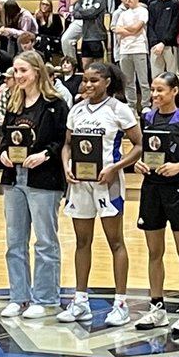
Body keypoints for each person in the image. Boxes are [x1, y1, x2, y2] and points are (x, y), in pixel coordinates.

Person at [59, 62, 142, 326]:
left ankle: (120, 303)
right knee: (82, 242)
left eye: (94, 80)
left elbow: (139, 146)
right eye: (85, 80)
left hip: (108, 183)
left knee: (115, 242)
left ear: (107, 81)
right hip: (80, 184)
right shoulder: (76, 110)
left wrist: (115, 167)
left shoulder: (120, 110)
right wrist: (66, 167)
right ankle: (80, 300)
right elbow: (67, 146)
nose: (88, 85)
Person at [0, 51, 69, 319]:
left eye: (23, 70)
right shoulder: (14, 104)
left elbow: (62, 139)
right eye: (15, 71)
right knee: (14, 241)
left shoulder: (55, 104)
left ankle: (46, 298)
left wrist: (45, 155)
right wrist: (3, 152)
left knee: (45, 241)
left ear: (37, 71)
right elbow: (6, 135)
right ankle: (19, 296)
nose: (18, 76)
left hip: (44, 179)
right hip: (14, 178)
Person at [132, 72, 179, 332]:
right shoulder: (147, 117)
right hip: (151, 189)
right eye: (153, 90)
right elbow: (144, 151)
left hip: (177, 189)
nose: (155, 95)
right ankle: (157, 307)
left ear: (175, 91)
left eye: (161, 90)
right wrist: (138, 164)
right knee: (154, 252)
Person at [113, 0, 151, 112]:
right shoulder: (123, 14)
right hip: (124, 50)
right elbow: (116, 29)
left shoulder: (143, 11)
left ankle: (146, 105)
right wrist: (131, 31)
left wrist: (126, 30)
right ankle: (131, 105)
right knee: (128, 81)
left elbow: (137, 27)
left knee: (143, 80)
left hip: (139, 48)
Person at [73, 0, 109, 68]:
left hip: (97, 36)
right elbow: (75, 13)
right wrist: (84, 12)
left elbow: (92, 12)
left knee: (99, 66)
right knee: (85, 65)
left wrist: (82, 11)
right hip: (86, 35)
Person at [147, 0, 179, 79]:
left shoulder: (175, 4)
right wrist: (155, 43)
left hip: (169, 45)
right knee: (156, 77)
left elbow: (174, 25)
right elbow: (150, 25)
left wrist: (164, 42)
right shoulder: (153, 5)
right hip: (155, 46)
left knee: (173, 76)